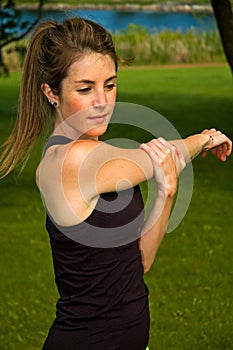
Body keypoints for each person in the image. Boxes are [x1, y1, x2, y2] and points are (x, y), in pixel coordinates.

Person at [0, 17, 231, 350]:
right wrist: (204, 138)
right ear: (51, 92)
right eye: (85, 88)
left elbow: (138, 265)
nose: (102, 102)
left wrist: (166, 193)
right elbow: (157, 158)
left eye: (109, 84)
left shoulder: (94, 159)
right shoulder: (74, 161)